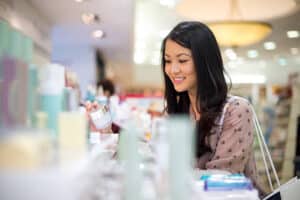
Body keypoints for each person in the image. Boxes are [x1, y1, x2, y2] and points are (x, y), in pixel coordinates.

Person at [161, 21, 265, 196]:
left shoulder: (237, 110)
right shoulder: (175, 113)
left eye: (182, 60)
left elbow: (223, 179)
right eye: (167, 61)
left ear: (205, 61)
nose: (173, 69)